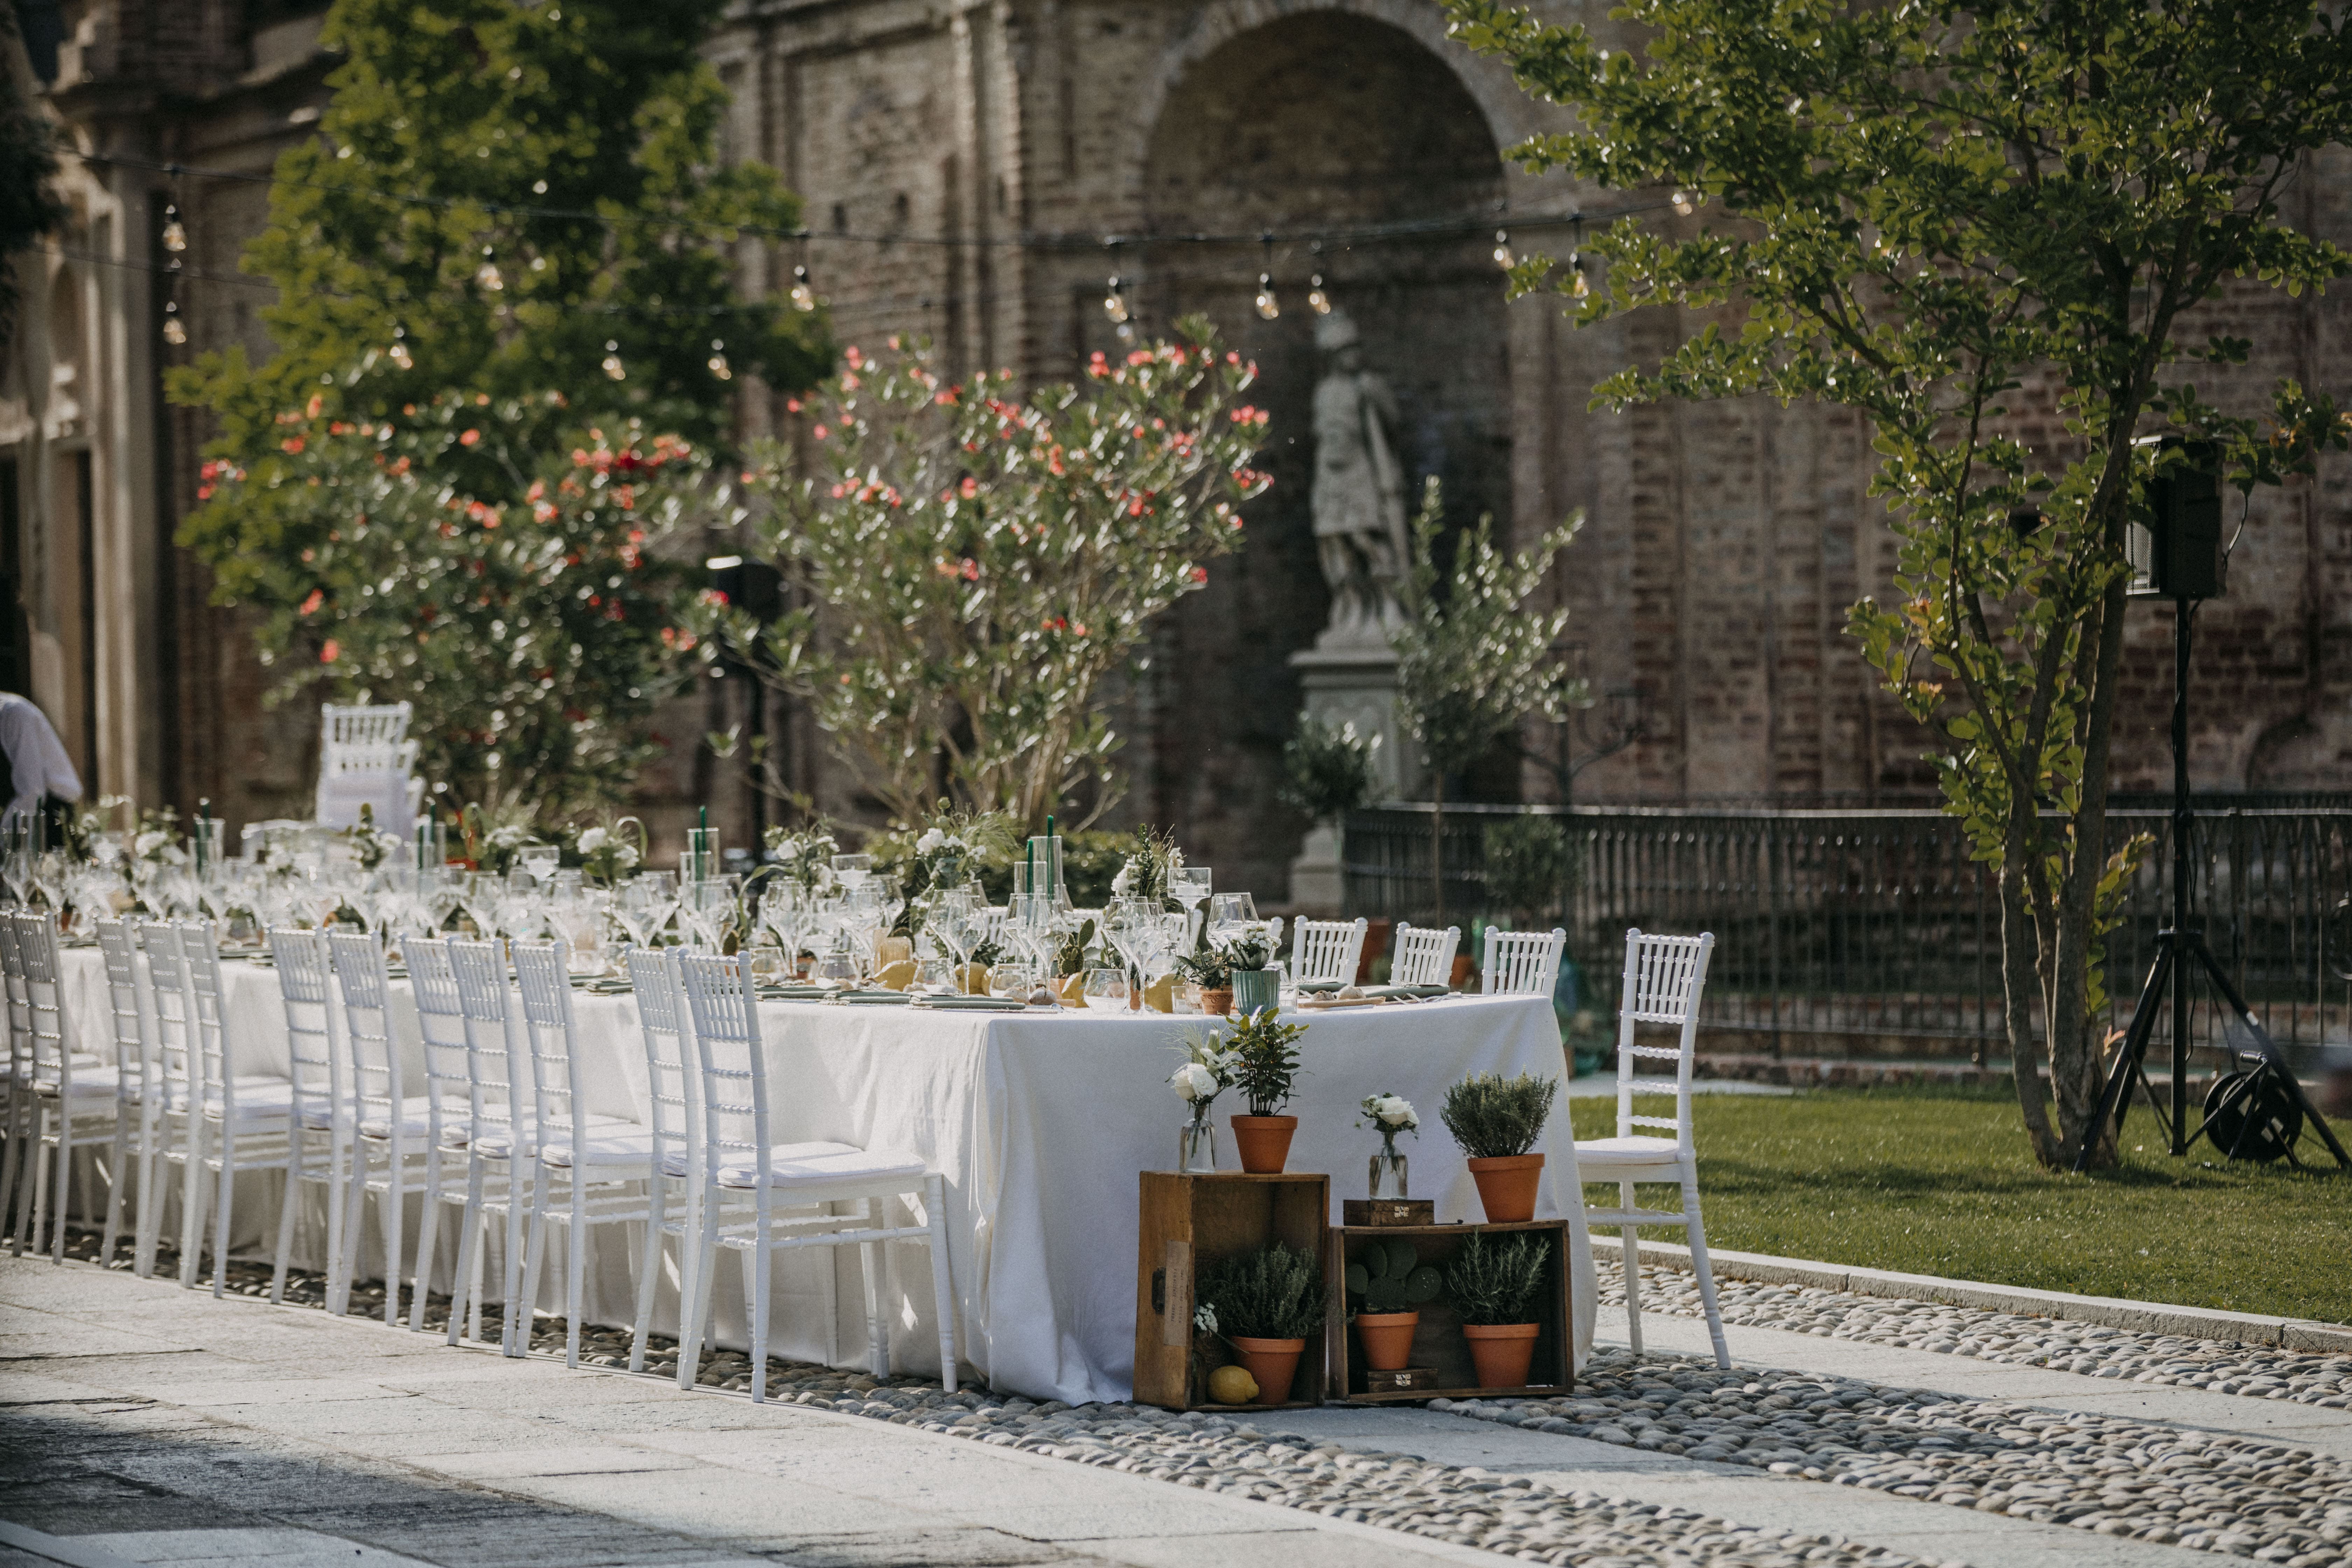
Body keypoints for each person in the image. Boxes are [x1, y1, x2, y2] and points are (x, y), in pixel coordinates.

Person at [0, 691, 80, 835]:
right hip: (17, 814)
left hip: (51, 813)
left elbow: (32, 792)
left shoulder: (14, 713)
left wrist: (4, 837)